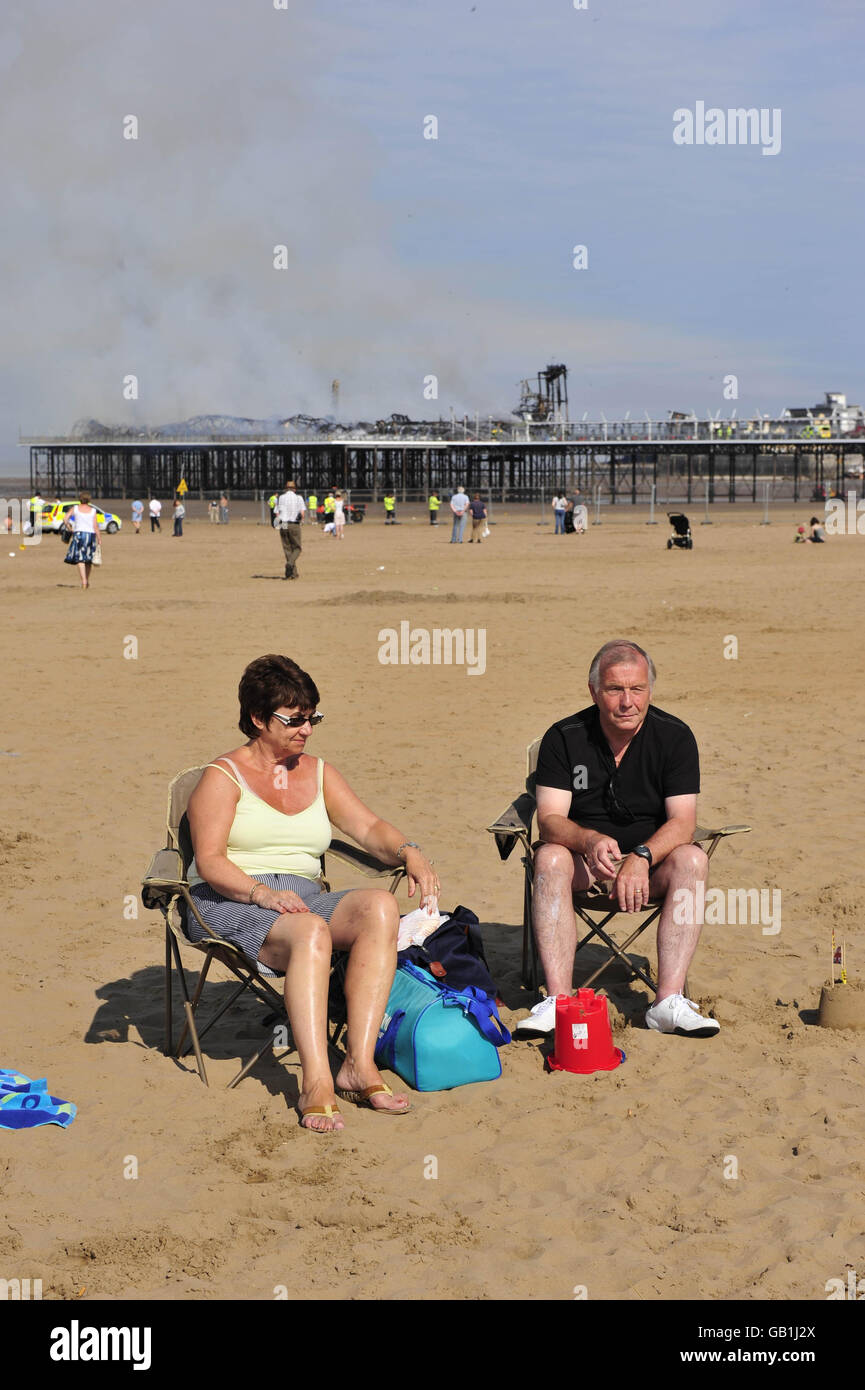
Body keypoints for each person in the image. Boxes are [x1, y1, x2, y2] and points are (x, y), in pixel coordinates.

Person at [185, 654, 439, 1132]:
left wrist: (409, 851)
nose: (307, 730)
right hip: (229, 899)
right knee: (309, 932)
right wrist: (260, 892)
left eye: (312, 718)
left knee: (380, 907)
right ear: (258, 719)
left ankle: (358, 1065)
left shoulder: (319, 772)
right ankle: (316, 1082)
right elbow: (210, 861)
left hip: (301, 896)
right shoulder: (222, 777)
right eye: (295, 719)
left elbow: (367, 828)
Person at [517, 639, 719, 1039]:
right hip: (583, 866)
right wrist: (589, 840)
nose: (628, 701)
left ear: (650, 690)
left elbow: (683, 823)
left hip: (651, 867)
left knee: (693, 859)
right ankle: (559, 1002)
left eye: (637, 689)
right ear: (594, 691)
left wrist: (641, 857)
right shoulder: (564, 737)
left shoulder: (675, 737)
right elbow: (550, 820)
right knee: (549, 858)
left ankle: (666, 1002)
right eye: (615, 689)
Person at [63, 491, 102, 589]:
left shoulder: (75, 508)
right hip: (90, 535)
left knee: (80, 559)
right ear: (89, 499)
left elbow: (65, 519)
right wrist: (99, 538)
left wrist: (69, 528)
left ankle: (84, 581)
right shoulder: (93, 510)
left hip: (79, 534)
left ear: (80, 499)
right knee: (88, 560)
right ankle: (86, 580)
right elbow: (95, 526)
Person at [275, 479, 305, 579]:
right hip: (294, 524)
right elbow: (302, 514)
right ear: (294, 489)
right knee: (297, 548)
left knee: (287, 548)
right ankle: (290, 563)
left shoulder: (281, 498)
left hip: (283, 523)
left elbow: (277, 513)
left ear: (286, 488)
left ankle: (292, 574)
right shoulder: (299, 498)